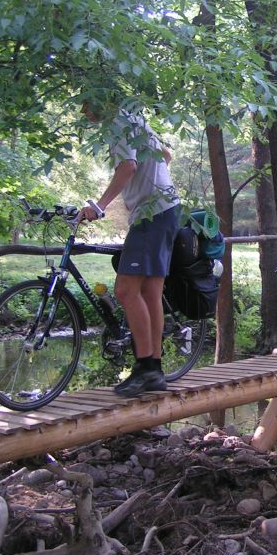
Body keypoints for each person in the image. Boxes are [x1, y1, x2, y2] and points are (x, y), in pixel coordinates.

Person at [79, 102, 180, 396]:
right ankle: (154, 370)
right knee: (149, 292)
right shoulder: (135, 119)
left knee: (125, 291)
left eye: (86, 104)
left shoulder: (118, 123)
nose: (84, 111)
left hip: (152, 214)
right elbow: (166, 155)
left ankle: (146, 368)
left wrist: (99, 206)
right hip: (166, 209)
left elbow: (128, 166)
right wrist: (153, 183)